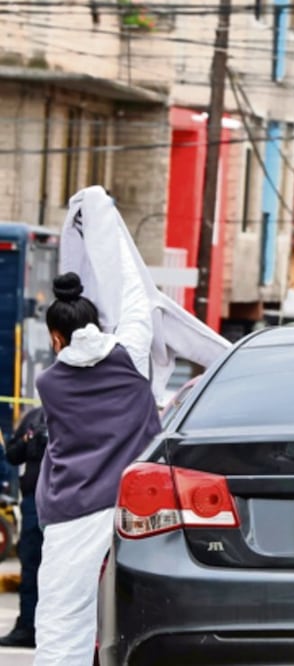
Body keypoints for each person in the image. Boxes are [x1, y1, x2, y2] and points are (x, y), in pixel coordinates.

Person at [32, 270, 161, 666]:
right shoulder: (132, 356)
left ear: (55, 338)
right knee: (142, 614)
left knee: (63, 618)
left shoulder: (48, 383)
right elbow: (138, 302)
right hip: (134, 506)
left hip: (72, 509)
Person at [0, 407, 47, 648]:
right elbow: (11, 454)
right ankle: (27, 627)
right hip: (33, 503)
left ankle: (51, 629)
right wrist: (30, 439)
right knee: (30, 567)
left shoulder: (81, 410)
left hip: (70, 504)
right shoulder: (34, 417)